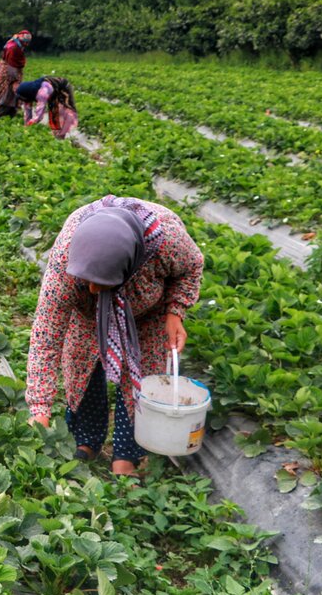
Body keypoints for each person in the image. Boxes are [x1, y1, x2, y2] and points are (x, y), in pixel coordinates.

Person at [26, 195, 204, 476]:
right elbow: (46, 336)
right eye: (88, 282)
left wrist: (175, 311)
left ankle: (126, 456)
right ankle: (86, 440)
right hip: (86, 319)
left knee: (141, 377)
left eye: (103, 282)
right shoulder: (65, 262)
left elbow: (191, 267)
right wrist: (40, 407)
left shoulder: (165, 240)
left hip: (147, 316)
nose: (94, 290)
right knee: (81, 367)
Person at [0, 30, 31, 117]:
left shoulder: (15, 43)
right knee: (5, 95)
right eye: (25, 42)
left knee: (13, 96)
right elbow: (12, 65)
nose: (26, 45)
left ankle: (11, 115)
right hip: (8, 74)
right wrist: (15, 80)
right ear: (21, 40)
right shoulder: (14, 48)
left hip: (10, 71)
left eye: (27, 43)